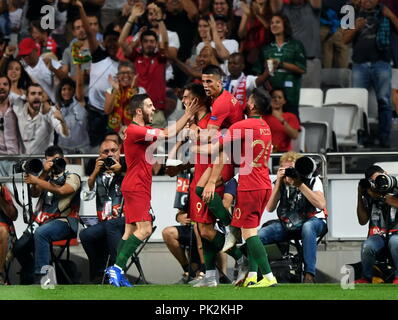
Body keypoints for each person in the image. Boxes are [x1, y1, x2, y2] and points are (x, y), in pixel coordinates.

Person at [104, 93, 199, 287]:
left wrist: (186, 127)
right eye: (150, 106)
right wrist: (187, 112)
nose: (154, 109)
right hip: (137, 187)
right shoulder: (135, 130)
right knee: (145, 229)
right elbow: (165, 134)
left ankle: (116, 272)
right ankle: (117, 268)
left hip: (134, 185)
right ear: (139, 111)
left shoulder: (140, 131)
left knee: (129, 231)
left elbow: (165, 134)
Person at [199, 90, 277, 288]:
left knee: (249, 232)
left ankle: (268, 277)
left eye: (248, 100)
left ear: (251, 106)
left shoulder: (242, 125)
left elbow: (217, 147)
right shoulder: (265, 126)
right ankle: (251, 275)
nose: (245, 102)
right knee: (250, 232)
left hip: (250, 184)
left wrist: (194, 146)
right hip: (264, 182)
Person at [13, 146, 82, 284]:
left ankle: (43, 278)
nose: (53, 164)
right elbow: (34, 193)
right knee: (19, 247)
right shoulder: (46, 178)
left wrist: (37, 180)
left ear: (64, 159)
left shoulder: (72, 177)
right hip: (42, 221)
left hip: (65, 222)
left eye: (56, 160)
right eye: (49, 161)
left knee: (41, 233)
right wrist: (43, 173)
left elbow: (63, 191)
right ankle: (31, 271)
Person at [258, 151, 327, 283]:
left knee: (308, 227)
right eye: (286, 168)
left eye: (292, 168)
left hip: (314, 221)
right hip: (288, 224)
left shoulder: (312, 179)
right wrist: (278, 182)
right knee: (261, 235)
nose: (289, 171)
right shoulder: (281, 182)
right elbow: (270, 208)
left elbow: (321, 204)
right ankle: (260, 273)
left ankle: (309, 274)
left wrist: (299, 184)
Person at [343, 0, 398, 148]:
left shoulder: (386, 10)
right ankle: (361, 139)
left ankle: (384, 138)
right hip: (359, 64)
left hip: (382, 62)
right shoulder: (350, 11)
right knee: (358, 104)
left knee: (385, 102)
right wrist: (356, 28)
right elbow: (344, 39)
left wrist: (391, 16)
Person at [74, 0, 120, 149]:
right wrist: (81, 8)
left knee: (112, 148)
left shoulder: (123, 64)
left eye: (116, 40)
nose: (112, 43)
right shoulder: (98, 54)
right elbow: (89, 32)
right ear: (104, 42)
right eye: (109, 40)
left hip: (113, 114)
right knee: (94, 150)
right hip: (93, 114)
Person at [80, 139, 126, 284]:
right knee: (85, 234)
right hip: (105, 223)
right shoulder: (97, 175)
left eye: (114, 150)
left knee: (111, 226)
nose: (110, 154)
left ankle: (116, 270)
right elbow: (86, 197)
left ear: (120, 152)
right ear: (100, 155)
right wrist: (94, 172)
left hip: (125, 221)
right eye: (106, 152)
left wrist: (122, 172)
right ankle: (101, 272)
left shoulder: (128, 169)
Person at [254, 13, 306, 118]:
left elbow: (301, 69)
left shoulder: (296, 45)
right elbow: (257, 72)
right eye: (272, 23)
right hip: (269, 96)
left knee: (291, 125)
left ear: (285, 25)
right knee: (270, 128)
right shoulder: (266, 49)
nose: (274, 25)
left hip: (291, 96)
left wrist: (280, 64)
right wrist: (266, 81)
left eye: (277, 22)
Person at [355, 165, 398, 284]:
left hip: (396, 234)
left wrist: (383, 198)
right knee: (367, 245)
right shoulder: (370, 194)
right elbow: (362, 221)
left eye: (379, 179)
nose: (378, 183)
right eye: (373, 182)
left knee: (395, 242)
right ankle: (366, 278)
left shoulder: (396, 188)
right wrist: (360, 195)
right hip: (379, 236)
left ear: (385, 173)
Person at [273, 0, 322, 88]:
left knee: (312, 99)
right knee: (290, 98)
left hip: (310, 62)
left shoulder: (312, 7)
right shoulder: (284, 9)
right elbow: (275, 7)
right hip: (289, 63)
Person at [12, 83, 69, 155]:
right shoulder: (18, 109)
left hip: (44, 161)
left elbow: (65, 134)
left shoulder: (50, 111)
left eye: (39, 94)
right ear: (27, 97)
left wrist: (62, 121)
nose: (37, 96)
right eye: (33, 93)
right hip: (23, 160)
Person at [17, 37, 67, 103]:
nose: (26, 57)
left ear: (35, 50)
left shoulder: (47, 61)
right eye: (23, 55)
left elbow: (66, 80)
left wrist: (53, 69)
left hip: (57, 104)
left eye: (28, 54)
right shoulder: (23, 70)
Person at [55, 66, 90, 155]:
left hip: (81, 148)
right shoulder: (58, 106)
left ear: (74, 90)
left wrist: (78, 65)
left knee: (79, 169)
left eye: (70, 89)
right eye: (64, 89)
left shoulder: (79, 101)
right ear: (60, 91)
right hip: (63, 148)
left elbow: (80, 84)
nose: (67, 92)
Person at [104, 61, 145, 134]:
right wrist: (115, 90)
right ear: (118, 75)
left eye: (129, 73)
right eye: (122, 73)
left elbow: (136, 112)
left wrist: (132, 89)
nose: (126, 75)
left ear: (134, 75)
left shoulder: (141, 91)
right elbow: (107, 111)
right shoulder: (110, 90)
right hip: (114, 131)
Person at [262, 88, 300, 153]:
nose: (276, 99)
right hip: (266, 152)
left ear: (284, 101)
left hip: (283, 153)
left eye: (280, 98)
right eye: (273, 97)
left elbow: (294, 135)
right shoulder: (263, 117)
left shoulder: (290, 116)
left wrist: (281, 119)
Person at [0, 75, 20, 176]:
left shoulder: (18, 107)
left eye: (5, 84)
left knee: (15, 192)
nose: (1, 87)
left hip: (15, 159)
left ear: (10, 87)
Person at [0, 183, 18, 285]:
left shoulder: (2, 189)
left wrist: (1, 197)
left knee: (2, 232)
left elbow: (13, 215)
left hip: (2, 230)